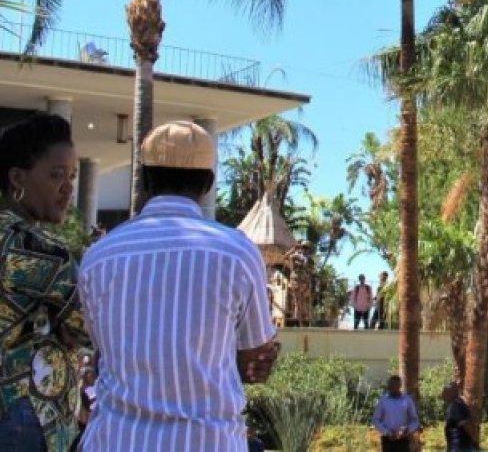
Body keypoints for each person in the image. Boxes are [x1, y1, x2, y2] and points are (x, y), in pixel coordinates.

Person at [78, 120, 280, 451]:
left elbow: (102, 350)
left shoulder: (100, 256)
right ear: (209, 184)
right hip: (207, 441)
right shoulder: (236, 253)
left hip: (116, 440)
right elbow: (253, 361)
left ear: (144, 179)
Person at [0, 113, 89, 452]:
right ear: (17, 178)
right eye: (56, 175)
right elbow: (90, 327)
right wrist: (60, 327)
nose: (68, 187)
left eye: (72, 176)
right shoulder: (43, 251)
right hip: (26, 412)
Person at [372, 374, 420, 451]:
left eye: (396, 386)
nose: (393, 388)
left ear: (400, 386)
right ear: (388, 386)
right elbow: (376, 420)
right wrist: (386, 432)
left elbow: (415, 420)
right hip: (388, 439)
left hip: (403, 439)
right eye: (391, 386)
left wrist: (407, 430)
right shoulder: (383, 401)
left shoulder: (407, 400)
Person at [443, 381, 475, 451]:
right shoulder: (456, 403)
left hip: (460, 446)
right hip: (457, 445)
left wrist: (473, 439)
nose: (444, 395)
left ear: (452, 393)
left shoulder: (456, 406)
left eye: (446, 392)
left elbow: (465, 424)